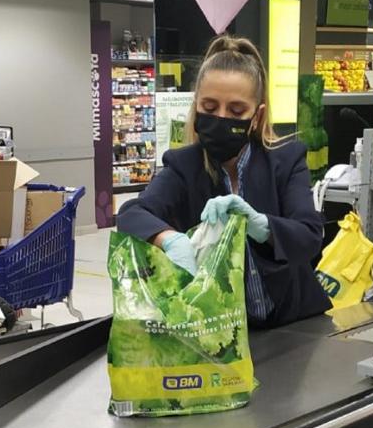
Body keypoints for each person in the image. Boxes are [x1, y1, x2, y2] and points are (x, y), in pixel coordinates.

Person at [117, 35, 331, 327]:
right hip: (223, 335)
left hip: (295, 324)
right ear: (196, 107)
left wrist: (263, 227)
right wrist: (169, 239)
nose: (221, 118)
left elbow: (309, 236)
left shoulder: (285, 160)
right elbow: (132, 214)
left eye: (236, 111)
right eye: (210, 106)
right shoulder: (183, 167)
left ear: (258, 116)